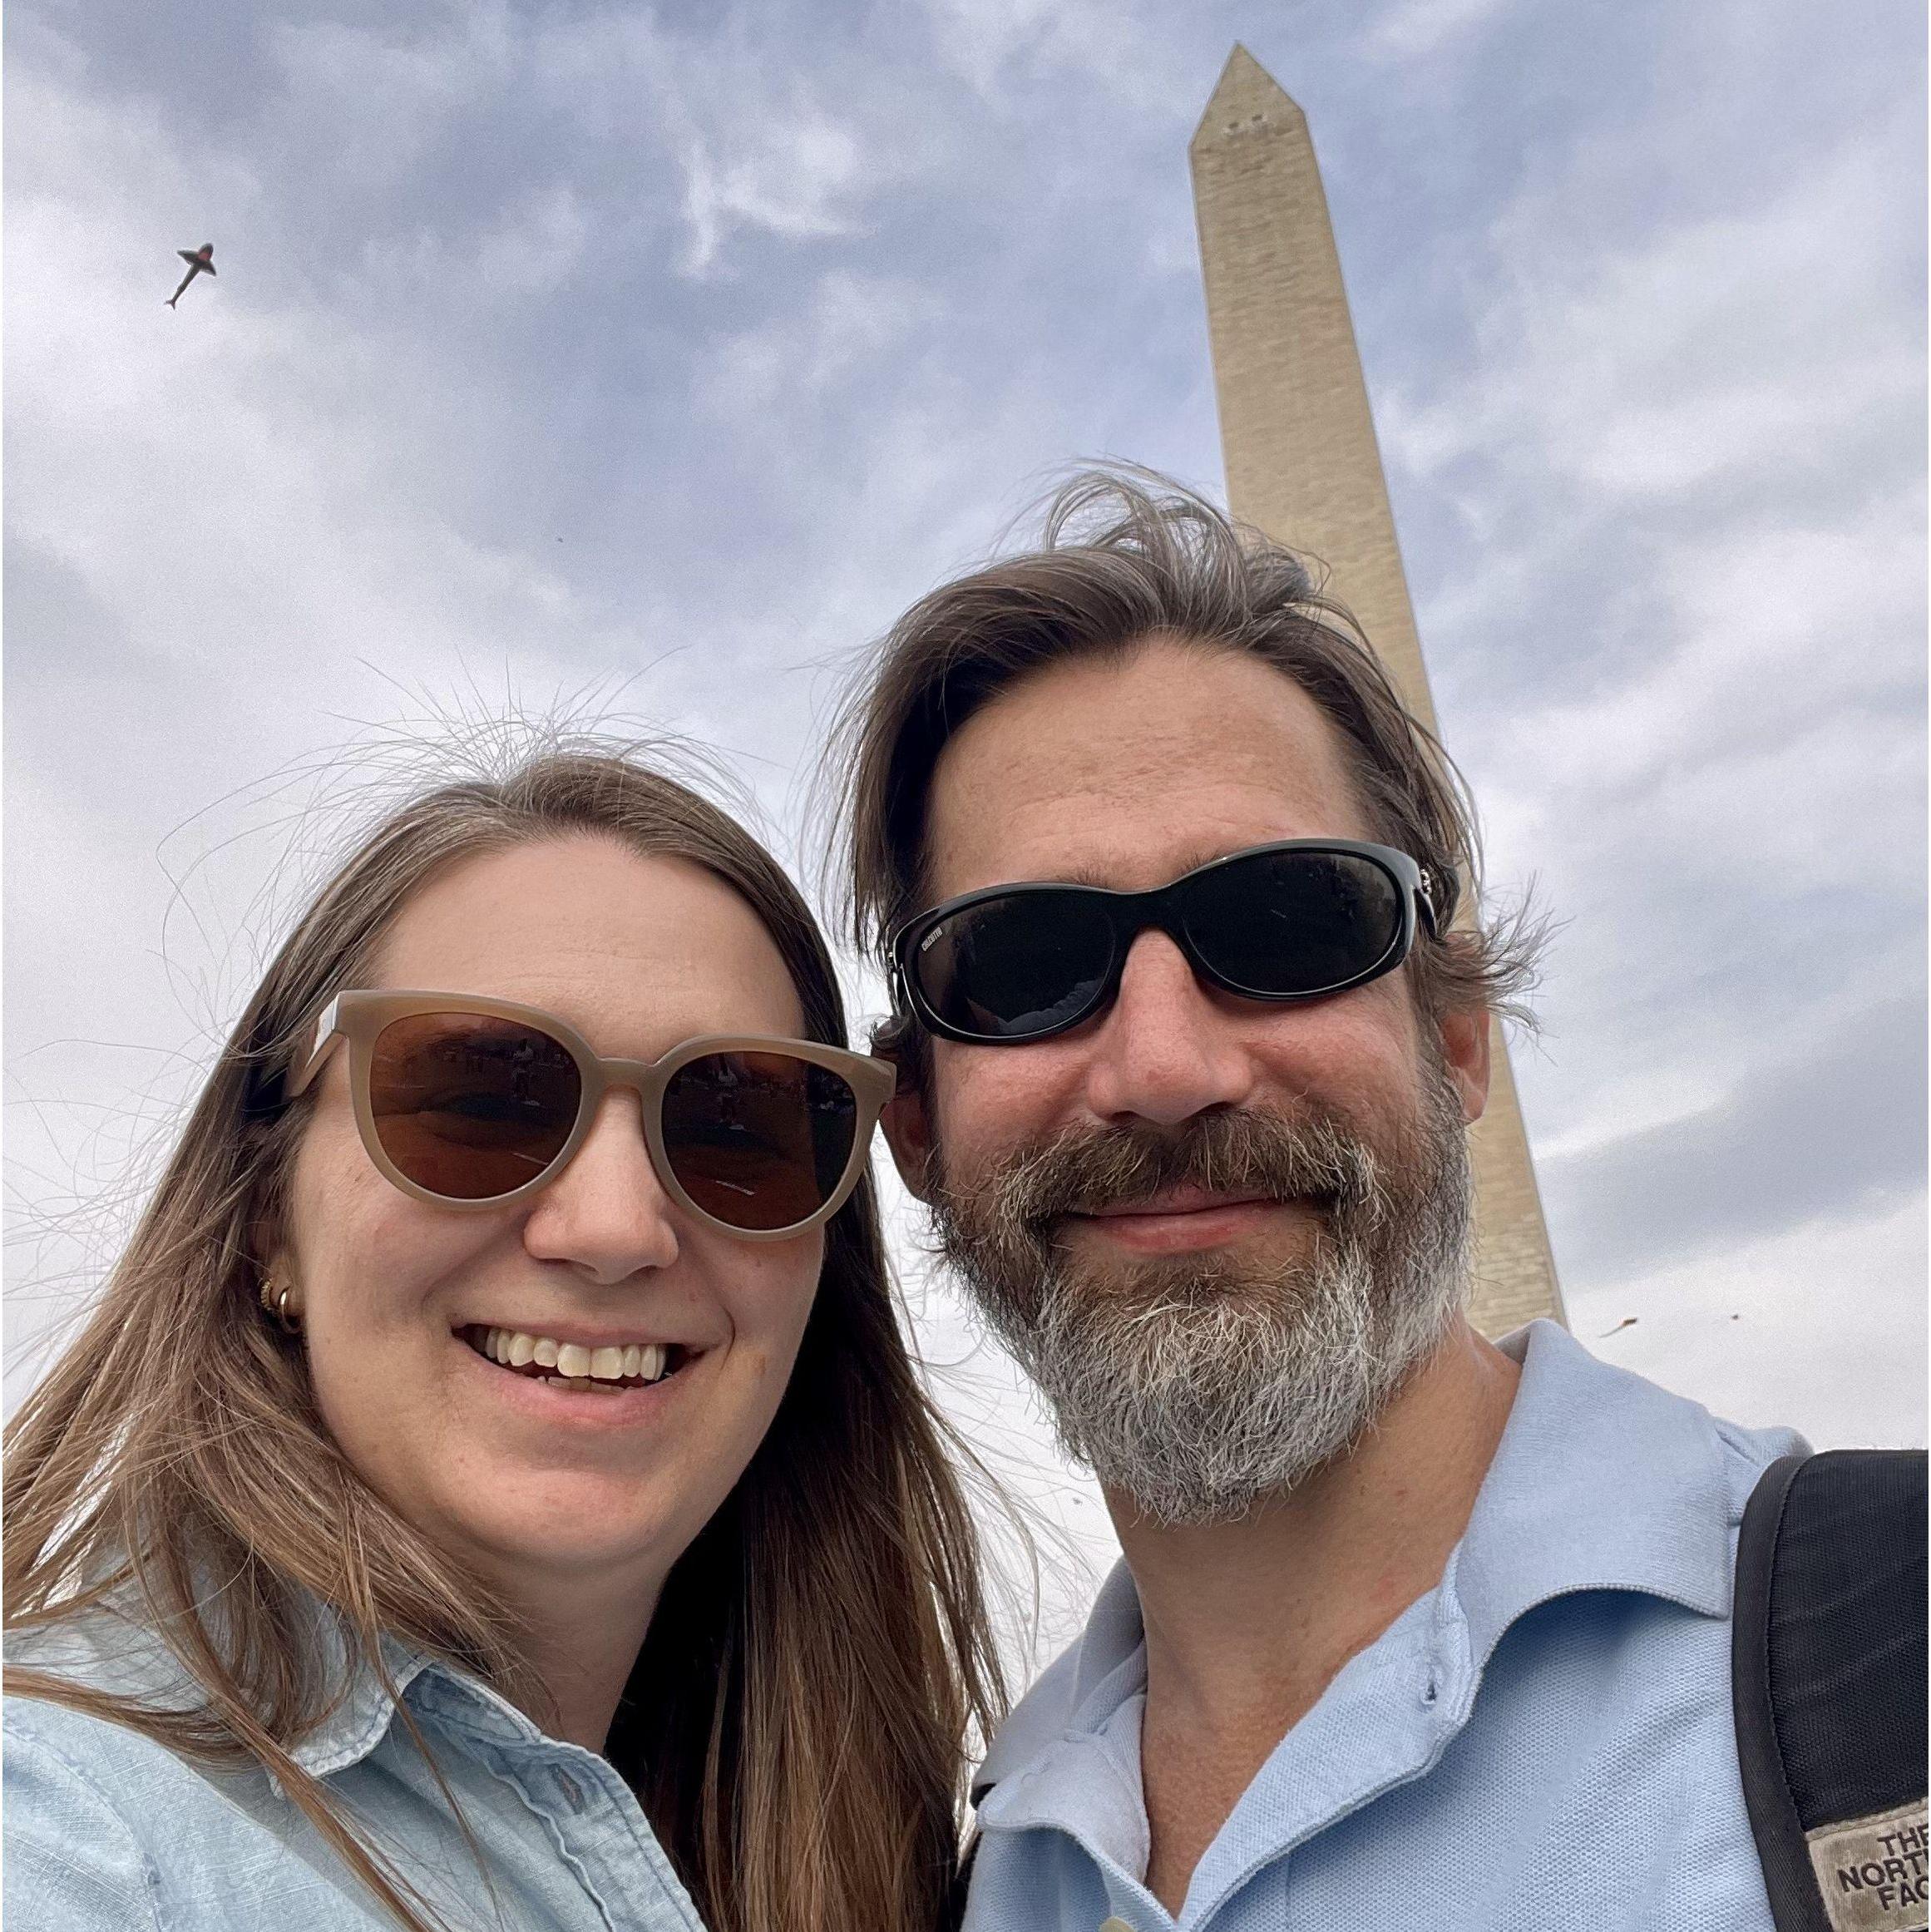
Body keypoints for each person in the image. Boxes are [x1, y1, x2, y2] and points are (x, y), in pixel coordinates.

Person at [831, 468, 1810, 1930]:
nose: (1162, 1068)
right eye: (1023, 963)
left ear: (1457, 1040)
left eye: (1287, 926)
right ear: (912, 1120)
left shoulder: (1878, 1674)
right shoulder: (973, 1873)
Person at [4, 749, 1003, 1932]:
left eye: (739, 1124)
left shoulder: (891, 1862)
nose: (615, 1229)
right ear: (269, 1213)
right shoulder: (65, 1827)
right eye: (479, 1099)